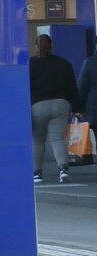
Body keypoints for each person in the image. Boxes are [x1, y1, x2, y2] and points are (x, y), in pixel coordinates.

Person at [29, 33, 80, 184]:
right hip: (60, 104)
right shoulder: (63, 63)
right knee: (57, 138)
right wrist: (77, 106)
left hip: (38, 106)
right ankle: (63, 170)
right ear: (52, 46)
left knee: (37, 140)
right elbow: (72, 87)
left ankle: (37, 173)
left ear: (36, 46)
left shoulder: (30, 64)